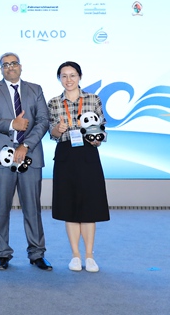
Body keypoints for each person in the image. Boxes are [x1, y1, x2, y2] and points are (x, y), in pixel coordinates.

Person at [0, 52, 51, 271]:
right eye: (5, 65)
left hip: (30, 155)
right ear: (1, 69)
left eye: (13, 63)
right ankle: (3, 253)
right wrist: (12, 124)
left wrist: (25, 145)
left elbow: (43, 120)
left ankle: (37, 254)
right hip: (1, 157)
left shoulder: (35, 89)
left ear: (20, 66)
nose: (10, 67)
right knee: (1, 208)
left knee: (33, 208)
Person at [47, 61, 110, 273]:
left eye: (72, 75)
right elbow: (51, 133)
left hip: (88, 154)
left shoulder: (93, 99)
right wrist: (58, 128)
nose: (69, 80)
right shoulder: (54, 102)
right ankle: (75, 255)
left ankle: (89, 256)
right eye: (64, 76)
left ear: (80, 76)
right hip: (65, 156)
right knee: (70, 207)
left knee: (89, 207)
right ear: (59, 79)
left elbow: (102, 128)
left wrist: (97, 138)